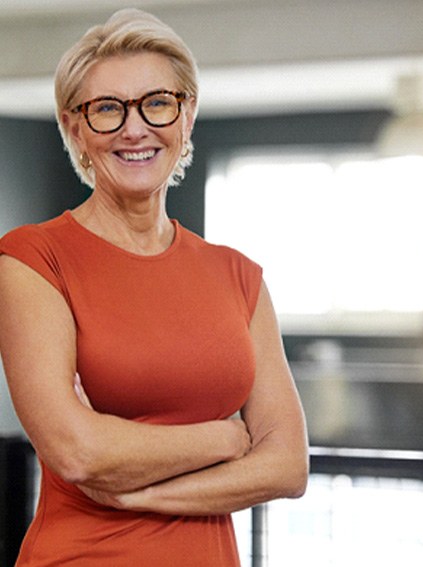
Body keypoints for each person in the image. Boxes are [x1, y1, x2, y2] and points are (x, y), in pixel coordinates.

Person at [0, 8, 308, 566]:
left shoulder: (239, 277)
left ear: (186, 115)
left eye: (156, 103)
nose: (134, 129)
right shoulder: (33, 259)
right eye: (107, 110)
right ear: (76, 128)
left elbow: (288, 466)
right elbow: (77, 452)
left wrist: (140, 491)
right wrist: (226, 439)